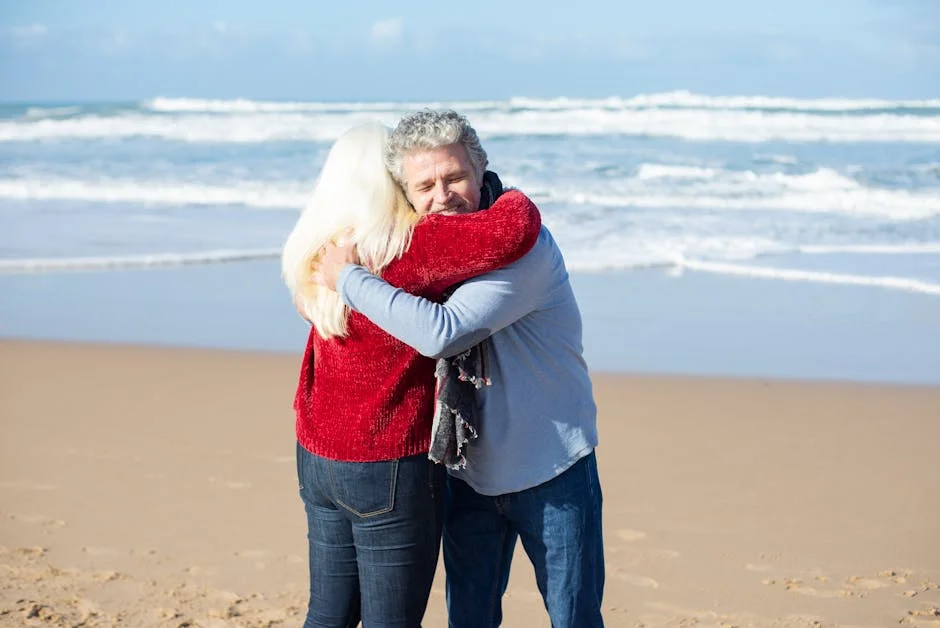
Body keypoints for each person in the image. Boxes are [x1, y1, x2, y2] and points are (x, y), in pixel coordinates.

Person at [314, 110, 605, 628]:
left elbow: (441, 331)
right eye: (424, 185)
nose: (441, 195)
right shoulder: (433, 250)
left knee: (575, 619)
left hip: (551, 468)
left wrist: (349, 279)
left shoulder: (521, 248)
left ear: (481, 168)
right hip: (467, 472)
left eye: (455, 177)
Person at [281, 121, 542, 627]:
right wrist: (502, 187)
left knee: (328, 613)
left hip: (316, 455)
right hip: (387, 463)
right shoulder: (406, 248)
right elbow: (514, 228)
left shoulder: (315, 251)